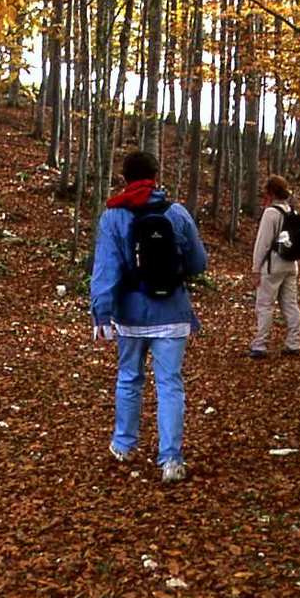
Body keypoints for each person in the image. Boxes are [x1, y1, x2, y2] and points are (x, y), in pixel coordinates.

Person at [90, 150, 208, 483]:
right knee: (170, 384)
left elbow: (105, 270)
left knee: (129, 378)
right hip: (172, 313)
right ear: (156, 177)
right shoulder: (177, 213)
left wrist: (101, 312)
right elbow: (199, 263)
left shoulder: (113, 217)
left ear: (124, 178)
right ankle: (171, 459)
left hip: (130, 315)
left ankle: (124, 444)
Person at [250, 174, 300, 359]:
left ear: (271, 192)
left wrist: (256, 269)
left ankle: (260, 344)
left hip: (272, 265)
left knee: (264, 305)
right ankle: (294, 342)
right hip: (291, 264)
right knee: (290, 304)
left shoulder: (271, 213)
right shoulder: (291, 211)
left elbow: (263, 243)